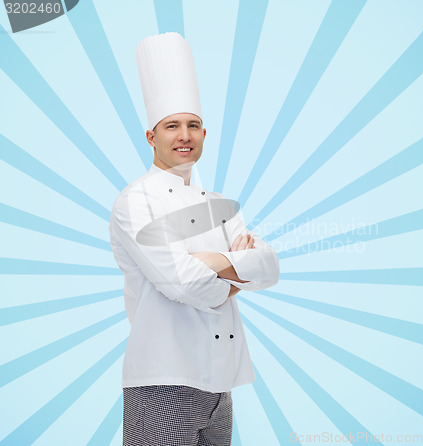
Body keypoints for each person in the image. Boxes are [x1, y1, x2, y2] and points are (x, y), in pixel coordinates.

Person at [109, 32, 280, 446]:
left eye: (193, 125)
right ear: (151, 137)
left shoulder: (219, 203)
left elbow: (270, 267)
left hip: (221, 381)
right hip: (162, 378)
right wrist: (235, 268)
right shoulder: (135, 201)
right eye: (172, 126)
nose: (184, 135)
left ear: (204, 133)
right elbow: (181, 284)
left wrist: (212, 262)